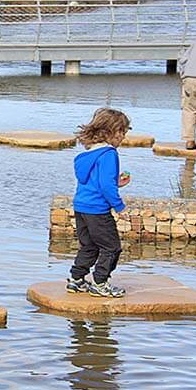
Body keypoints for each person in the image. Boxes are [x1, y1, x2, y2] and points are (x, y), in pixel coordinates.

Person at [66, 108, 132, 298]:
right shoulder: (109, 154)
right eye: (122, 132)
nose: (123, 138)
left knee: (89, 246)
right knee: (112, 247)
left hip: (81, 206)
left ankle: (76, 279)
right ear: (111, 131)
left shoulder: (87, 154)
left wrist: (116, 182)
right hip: (98, 210)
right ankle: (100, 282)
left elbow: (93, 182)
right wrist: (119, 206)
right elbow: (105, 186)